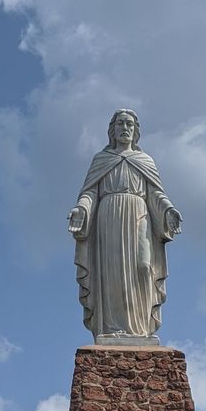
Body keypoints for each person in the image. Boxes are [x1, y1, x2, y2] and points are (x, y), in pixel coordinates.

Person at [68, 109, 182, 344]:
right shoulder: (102, 160)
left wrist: (168, 209)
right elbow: (90, 192)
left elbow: (155, 194)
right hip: (108, 218)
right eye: (120, 123)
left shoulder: (145, 161)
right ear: (112, 129)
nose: (125, 127)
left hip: (138, 214)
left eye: (129, 123)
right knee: (111, 272)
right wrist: (81, 208)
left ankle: (140, 328)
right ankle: (112, 328)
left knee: (142, 266)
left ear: (136, 130)